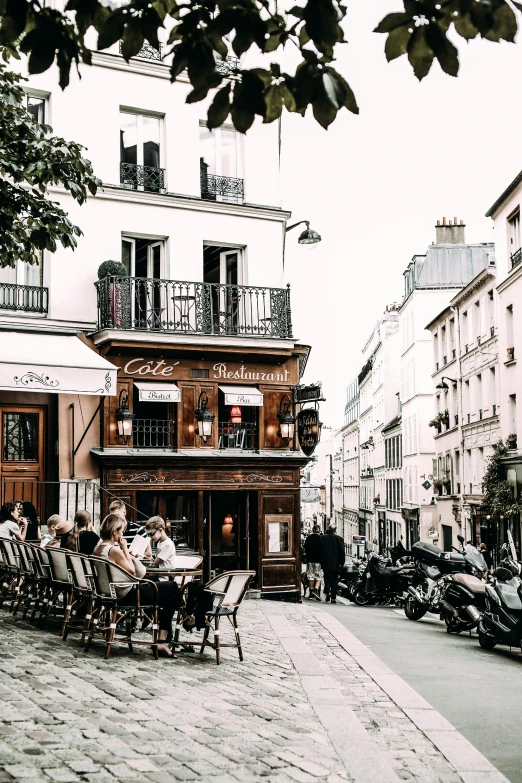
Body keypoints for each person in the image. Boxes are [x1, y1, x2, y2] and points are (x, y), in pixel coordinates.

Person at [93, 513, 181, 658]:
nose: (122, 533)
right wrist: (125, 549)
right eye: (121, 530)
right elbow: (133, 572)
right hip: (127, 595)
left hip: (109, 593)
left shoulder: (98, 548)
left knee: (171, 597)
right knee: (173, 587)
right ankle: (167, 636)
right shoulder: (114, 550)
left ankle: (162, 640)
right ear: (115, 531)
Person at [321, 522, 345, 603]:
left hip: (326, 563)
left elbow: (321, 551)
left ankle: (327, 592)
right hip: (336, 563)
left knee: (326, 578)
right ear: (335, 530)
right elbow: (342, 552)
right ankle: (333, 598)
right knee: (334, 580)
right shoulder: (339, 539)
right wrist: (342, 563)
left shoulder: (323, 538)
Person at [304, 525, 323, 601]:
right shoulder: (320, 538)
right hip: (318, 561)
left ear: (312, 530)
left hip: (310, 560)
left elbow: (305, 548)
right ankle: (315, 590)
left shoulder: (308, 538)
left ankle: (311, 593)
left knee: (310, 575)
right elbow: (323, 550)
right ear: (319, 531)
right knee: (319, 576)